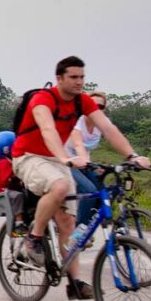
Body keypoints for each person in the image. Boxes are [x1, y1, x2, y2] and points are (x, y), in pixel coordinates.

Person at [12, 56, 150, 300]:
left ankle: (74, 283)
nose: (79, 82)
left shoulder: (82, 101)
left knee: (68, 223)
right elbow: (48, 130)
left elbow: (108, 129)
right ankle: (33, 239)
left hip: (57, 158)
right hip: (29, 156)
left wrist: (132, 155)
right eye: (73, 77)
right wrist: (66, 158)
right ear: (59, 78)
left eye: (82, 77)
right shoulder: (42, 99)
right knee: (60, 185)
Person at [65, 91, 109, 230]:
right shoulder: (78, 121)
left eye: (100, 107)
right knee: (89, 189)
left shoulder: (101, 124)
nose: (96, 108)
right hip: (66, 161)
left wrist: (134, 156)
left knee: (104, 192)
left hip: (84, 163)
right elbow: (78, 143)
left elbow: (115, 138)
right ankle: (78, 229)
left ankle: (89, 224)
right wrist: (84, 161)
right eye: (92, 104)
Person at [0, 130, 24, 230]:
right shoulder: (4, 163)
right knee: (18, 196)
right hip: (4, 190)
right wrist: (18, 179)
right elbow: (5, 180)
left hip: (11, 188)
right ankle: (19, 222)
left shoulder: (10, 160)